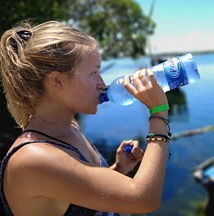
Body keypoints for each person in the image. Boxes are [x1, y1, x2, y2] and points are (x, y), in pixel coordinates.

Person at [0, 21, 170, 215]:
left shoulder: (70, 127)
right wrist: (159, 112)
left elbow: (74, 194)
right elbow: (144, 200)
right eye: (94, 73)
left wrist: (118, 171)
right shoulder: (33, 159)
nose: (102, 83)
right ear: (57, 80)